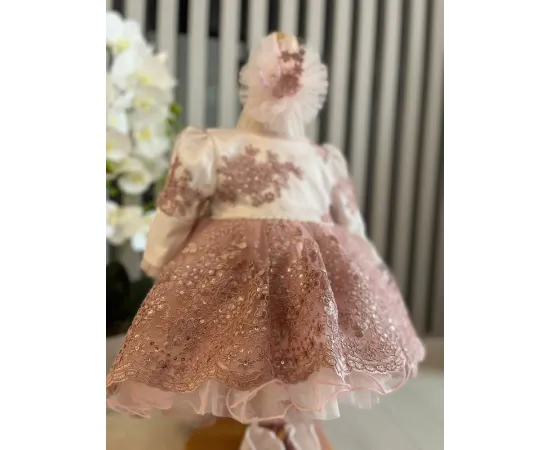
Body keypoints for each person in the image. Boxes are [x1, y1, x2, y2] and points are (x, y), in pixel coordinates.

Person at [107, 32, 425, 450]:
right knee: (283, 351)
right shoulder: (318, 159)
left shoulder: (215, 148)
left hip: (239, 267)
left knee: (247, 349)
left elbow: (177, 213)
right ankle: (270, 427)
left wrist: (158, 258)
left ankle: (273, 427)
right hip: (300, 272)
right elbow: (354, 231)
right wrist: (369, 276)